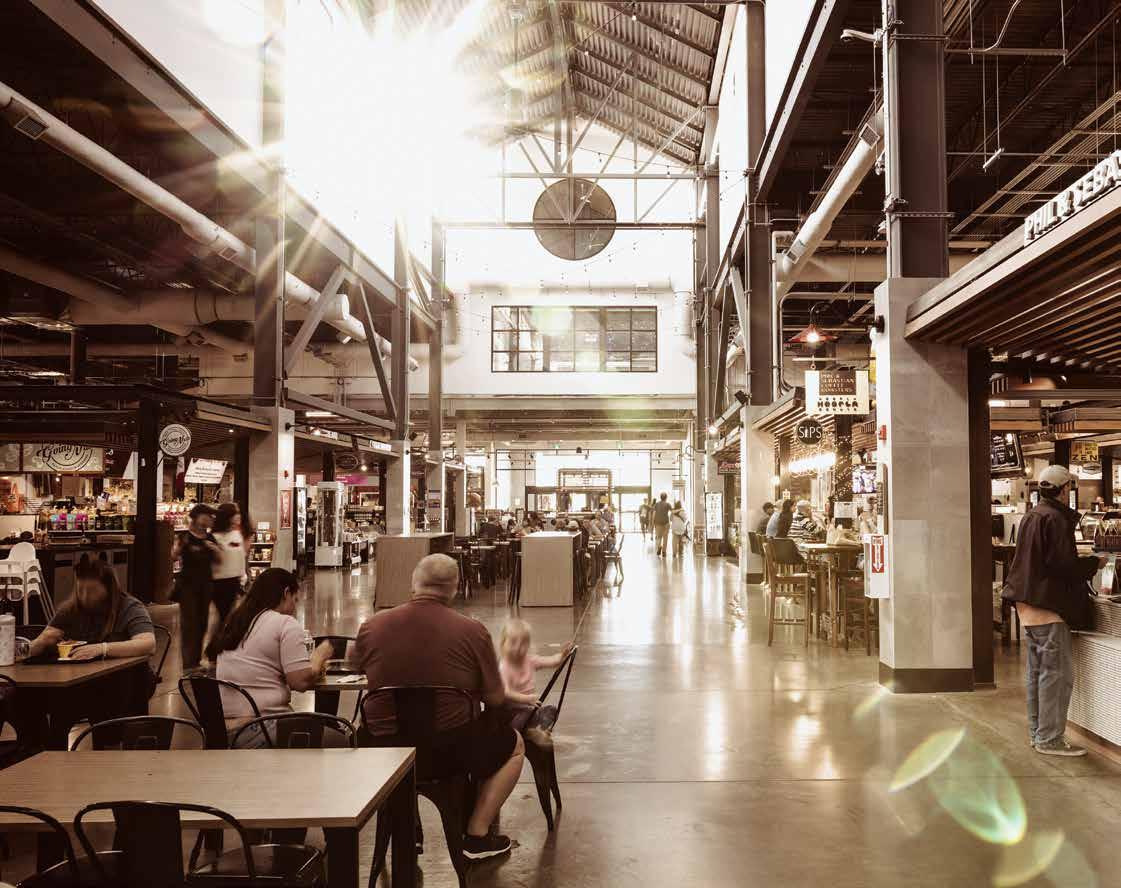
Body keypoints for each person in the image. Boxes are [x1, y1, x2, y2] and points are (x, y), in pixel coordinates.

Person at [354, 554, 525, 860]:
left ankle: (407, 828)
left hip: (382, 751)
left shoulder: (372, 627)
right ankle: (477, 833)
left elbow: (355, 669)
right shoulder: (472, 631)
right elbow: (495, 698)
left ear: (413, 584)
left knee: (377, 731)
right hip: (449, 752)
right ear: (455, 588)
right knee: (514, 745)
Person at [1003, 465, 1104, 757]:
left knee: (1038, 674)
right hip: (1047, 607)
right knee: (1056, 676)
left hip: (1027, 606)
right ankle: (1049, 739)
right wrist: (1093, 563)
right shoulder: (1056, 519)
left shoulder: (1032, 515)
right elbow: (1064, 567)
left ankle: (1038, 733)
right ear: (1064, 489)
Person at [21, 557, 157, 741]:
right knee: (29, 699)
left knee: (102, 702)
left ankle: (107, 748)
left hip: (125, 683)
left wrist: (102, 648)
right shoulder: (70, 608)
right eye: (80, 590)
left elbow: (148, 643)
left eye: (91, 591)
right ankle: (43, 749)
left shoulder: (129, 607)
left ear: (109, 588)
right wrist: (33, 646)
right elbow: (46, 637)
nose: (84, 596)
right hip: (82, 683)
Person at [208, 568, 333, 747]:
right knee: (342, 741)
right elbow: (300, 682)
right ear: (286, 593)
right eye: (295, 600)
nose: (294, 609)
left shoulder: (235, 623)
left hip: (226, 730)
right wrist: (319, 656)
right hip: (263, 727)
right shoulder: (284, 623)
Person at [497, 618, 574, 745]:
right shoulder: (504, 666)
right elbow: (505, 692)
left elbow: (552, 661)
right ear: (503, 644)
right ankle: (524, 734)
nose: (518, 648)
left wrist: (562, 655)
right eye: (513, 642)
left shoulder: (529, 660)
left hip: (530, 709)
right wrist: (526, 699)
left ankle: (537, 732)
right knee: (526, 715)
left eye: (523, 643)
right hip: (512, 713)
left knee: (551, 711)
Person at [171, 504, 220, 670]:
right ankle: (188, 663)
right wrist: (177, 548)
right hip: (187, 587)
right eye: (206, 516)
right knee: (189, 624)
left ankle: (196, 660)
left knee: (202, 623)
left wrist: (215, 549)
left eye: (211, 517)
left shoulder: (210, 538)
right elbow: (173, 556)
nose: (210, 519)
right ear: (196, 518)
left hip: (205, 586)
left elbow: (219, 560)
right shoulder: (184, 537)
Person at [211, 503, 247, 629]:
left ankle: (222, 637)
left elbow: (241, 557)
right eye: (235, 513)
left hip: (235, 581)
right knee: (224, 617)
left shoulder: (237, 535)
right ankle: (218, 638)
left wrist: (242, 576)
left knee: (229, 617)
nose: (239, 516)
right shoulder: (214, 537)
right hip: (219, 582)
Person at [652, 492, 672, 556]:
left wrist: (653, 522)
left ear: (660, 497)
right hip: (666, 523)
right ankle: (664, 552)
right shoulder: (668, 504)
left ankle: (659, 547)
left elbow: (654, 514)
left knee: (658, 537)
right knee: (665, 538)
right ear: (666, 498)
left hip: (658, 523)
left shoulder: (656, 504)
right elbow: (673, 511)